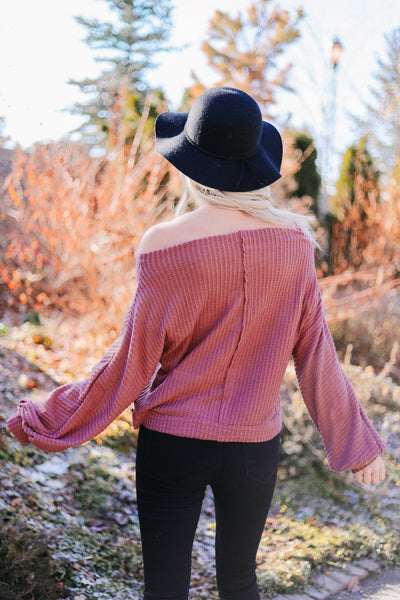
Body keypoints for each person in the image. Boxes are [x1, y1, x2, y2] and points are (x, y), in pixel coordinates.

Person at [7, 86, 386, 600]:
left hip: (172, 444)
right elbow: (316, 353)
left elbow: (131, 360)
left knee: (165, 588)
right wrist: (358, 445)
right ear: (254, 163)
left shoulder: (162, 243)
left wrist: (50, 418)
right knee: (239, 581)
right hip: (254, 446)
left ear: (192, 162)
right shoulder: (296, 244)